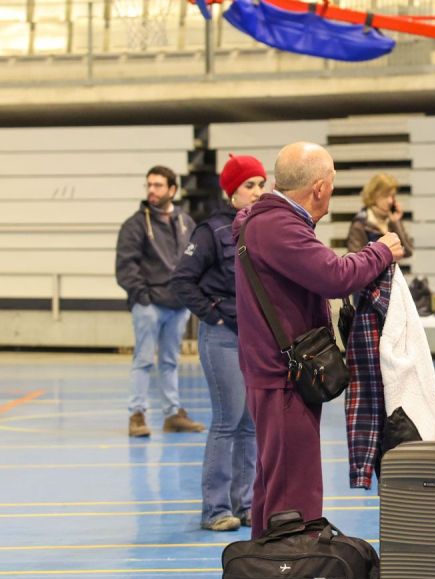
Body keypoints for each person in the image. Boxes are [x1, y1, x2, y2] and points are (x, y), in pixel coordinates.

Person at [234, 142, 407, 537]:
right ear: (318, 188)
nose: (330, 191)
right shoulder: (278, 226)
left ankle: (271, 576)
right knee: (294, 495)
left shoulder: (269, 221)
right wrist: (380, 250)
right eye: (330, 183)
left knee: (275, 486)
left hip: (277, 373)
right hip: (283, 377)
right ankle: (290, 576)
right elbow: (335, 275)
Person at [168, 155, 266, 532]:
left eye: (261, 184)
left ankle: (245, 505)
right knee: (228, 421)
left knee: (251, 424)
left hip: (256, 338)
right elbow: (182, 281)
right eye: (249, 186)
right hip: (223, 336)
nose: (258, 192)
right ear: (232, 191)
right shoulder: (210, 231)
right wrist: (216, 315)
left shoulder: (263, 227)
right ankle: (215, 509)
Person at [115, 165, 206, 437]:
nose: (152, 190)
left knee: (170, 361)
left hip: (178, 305)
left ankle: (172, 413)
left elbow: (195, 259)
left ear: (172, 190)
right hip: (150, 304)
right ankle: (137, 414)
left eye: (158, 185)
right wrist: (141, 297)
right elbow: (125, 266)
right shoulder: (135, 224)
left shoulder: (185, 222)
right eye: (149, 185)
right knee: (143, 361)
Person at [346, 173, 414, 271]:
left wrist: (396, 223)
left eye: (393, 196)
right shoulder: (360, 224)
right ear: (373, 196)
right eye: (386, 196)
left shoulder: (391, 220)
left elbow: (408, 252)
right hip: (373, 284)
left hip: (392, 281)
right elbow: (356, 265)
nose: (391, 201)